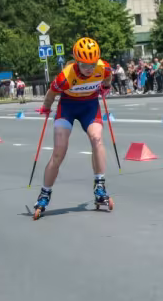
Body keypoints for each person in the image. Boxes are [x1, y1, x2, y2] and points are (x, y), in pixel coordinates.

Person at [33, 37, 114, 216]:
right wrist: (46, 107)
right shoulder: (66, 76)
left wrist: (105, 87)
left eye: (93, 64)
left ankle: (99, 185)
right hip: (67, 107)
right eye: (84, 65)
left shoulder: (103, 67)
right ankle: (45, 193)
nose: (89, 69)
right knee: (59, 151)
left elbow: (108, 76)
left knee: (97, 139)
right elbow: (51, 94)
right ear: (77, 61)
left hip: (90, 107)